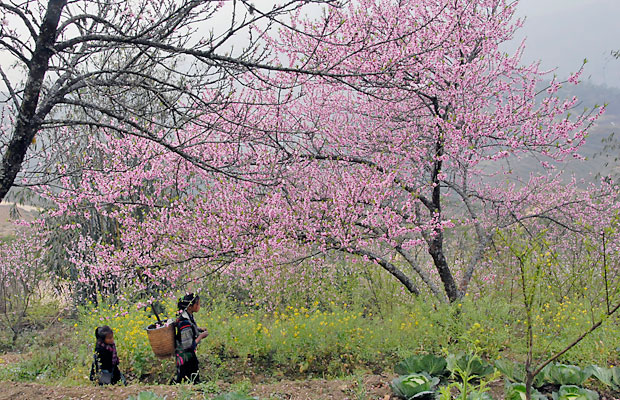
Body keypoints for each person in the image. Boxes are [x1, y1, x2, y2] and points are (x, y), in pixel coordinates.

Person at [174, 293, 208, 384]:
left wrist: (199, 329)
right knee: (188, 381)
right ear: (190, 307)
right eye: (197, 304)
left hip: (187, 357)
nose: (199, 306)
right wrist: (201, 336)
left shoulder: (188, 317)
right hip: (185, 358)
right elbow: (188, 345)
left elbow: (191, 328)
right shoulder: (184, 323)